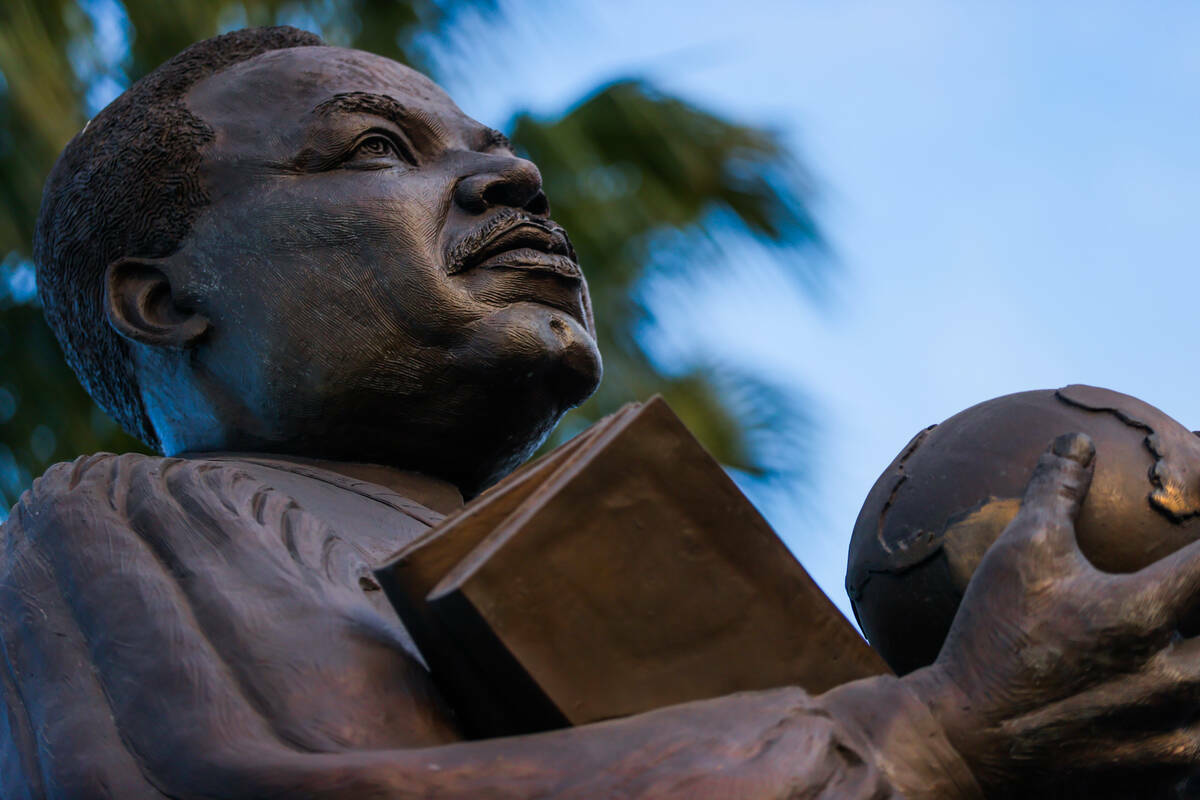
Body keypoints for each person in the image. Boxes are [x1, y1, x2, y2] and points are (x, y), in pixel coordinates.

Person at [5, 26, 1200, 799]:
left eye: (493, 148)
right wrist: (927, 740)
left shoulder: (593, 552)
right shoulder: (125, 514)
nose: (511, 178)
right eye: (377, 149)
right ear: (161, 297)